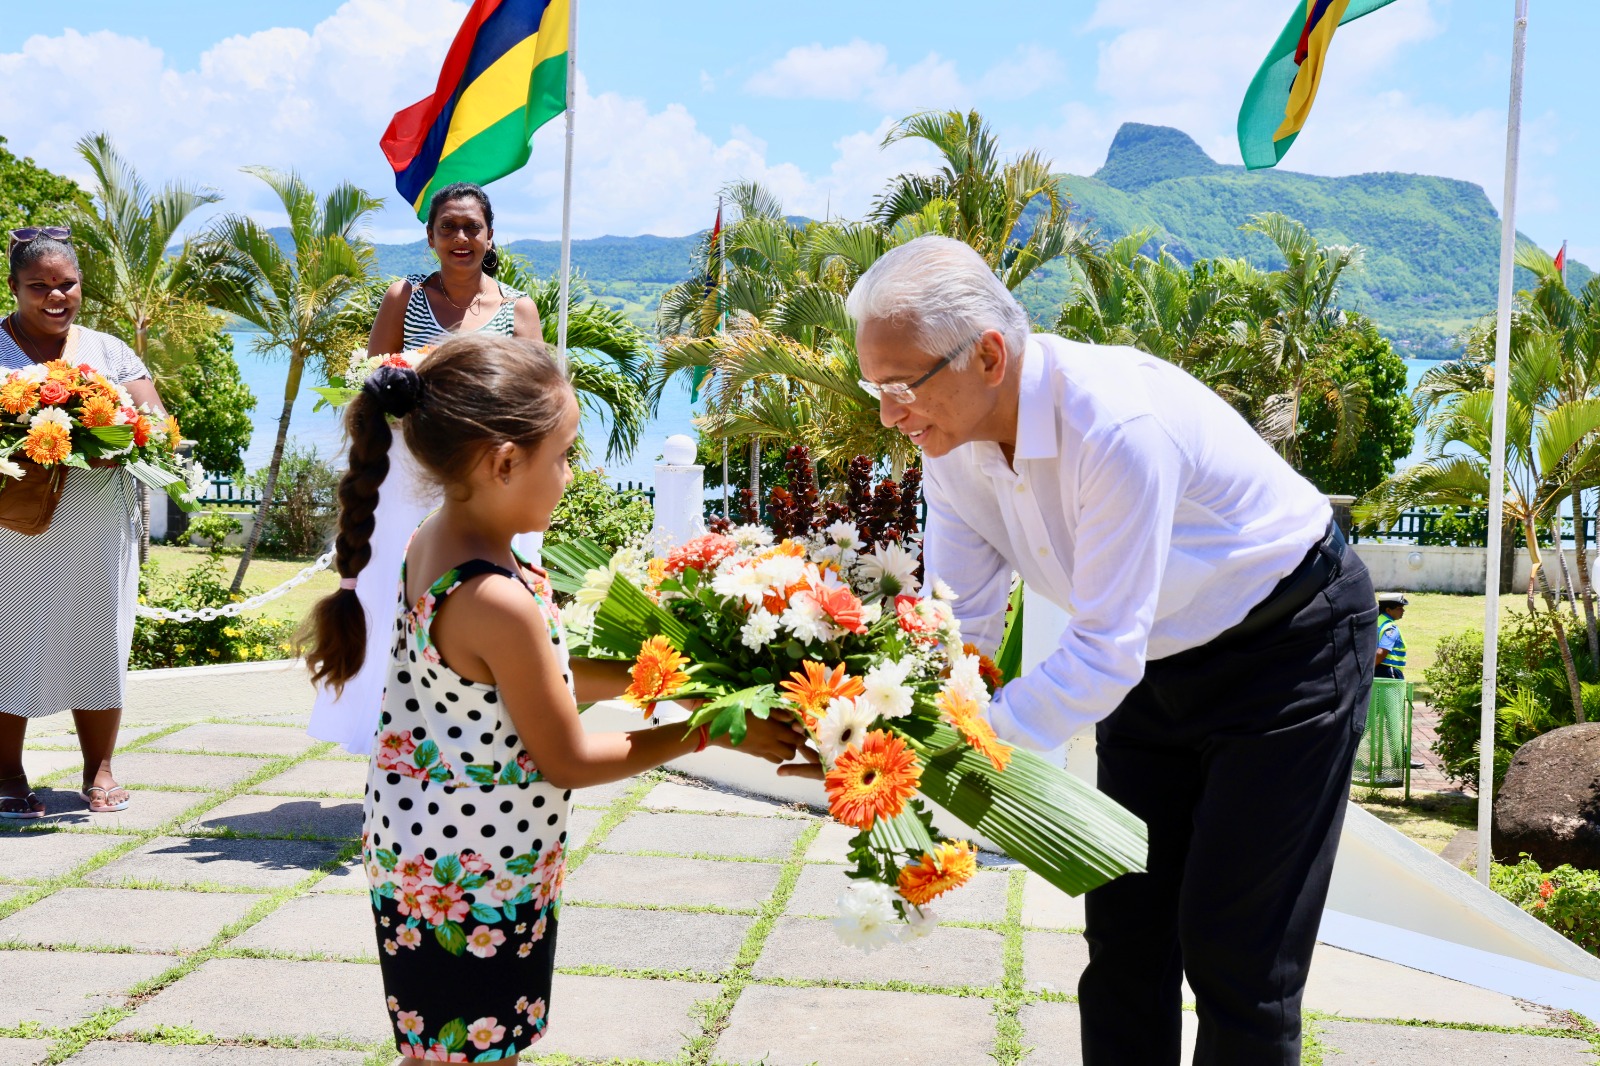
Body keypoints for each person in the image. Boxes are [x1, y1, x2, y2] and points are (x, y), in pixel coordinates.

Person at [846, 235, 1375, 1066]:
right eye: (873, 386)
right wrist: (908, 717)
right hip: (1151, 669)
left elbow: (1099, 652)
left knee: (1239, 958)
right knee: (1126, 942)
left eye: (902, 385)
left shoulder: (1114, 423)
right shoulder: (948, 446)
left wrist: (963, 744)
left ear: (988, 354)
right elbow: (962, 622)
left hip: (1286, 651)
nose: (888, 413)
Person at [301, 333, 810, 1062]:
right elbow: (567, 756)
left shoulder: (441, 538)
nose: (572, 474)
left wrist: (664, 676)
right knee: (471, 1048)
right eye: (564, 454)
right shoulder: (493, 596)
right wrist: (710, 731)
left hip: (436, 852)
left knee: (449, 1048)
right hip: (471, 879)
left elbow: (542, 676)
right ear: (504, 461)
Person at [308, 183, 544, 754]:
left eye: (472, 228)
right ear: (431, 236)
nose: (460, 238)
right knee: (393, 592)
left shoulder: (519, 310)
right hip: (406, 476)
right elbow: (366, 387)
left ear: (490, 236)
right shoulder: (402, 296)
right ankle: (382, 736)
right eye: (448, 228)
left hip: (489, 479)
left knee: (487, 594)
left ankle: (484, 734)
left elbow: (536, 401)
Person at [0, 231, 168, 817]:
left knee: (98, 641)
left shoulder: (109, 350)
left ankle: (100, 769)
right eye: (38, 286)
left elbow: (157, 424)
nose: (54, 296)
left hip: (97, 522)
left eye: (65, 284)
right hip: (12, 526)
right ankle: (7, 775)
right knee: (9, 642)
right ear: (15, 288)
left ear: (80, 286)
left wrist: (122, 438)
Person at [1375, 593, 1408, 680]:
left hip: (1376, 670)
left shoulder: (1376, 621)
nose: (1403, 611)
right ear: (1388, 610)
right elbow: (1381, 652)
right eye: (1399, 608)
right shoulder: (1390, 627)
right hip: (1388, 673)